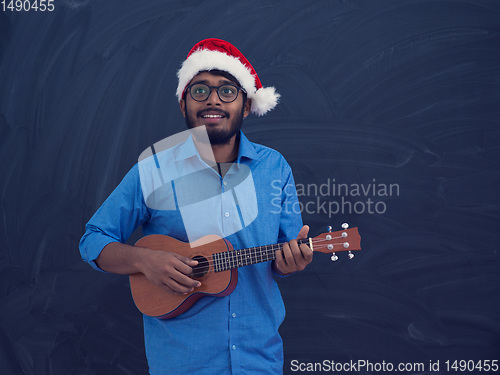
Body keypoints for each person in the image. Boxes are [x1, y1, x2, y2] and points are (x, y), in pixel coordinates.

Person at [79, 38, 313, 375]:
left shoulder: (275, 168)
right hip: (181, 363)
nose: (214, 100)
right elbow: (93, 240)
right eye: (200, 90)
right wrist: (143, 260)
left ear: (246, 106)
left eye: (227, 91)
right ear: (183, 104)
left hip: (259, 361)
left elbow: (282, 259)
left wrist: (292, 262)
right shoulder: (153, 170)